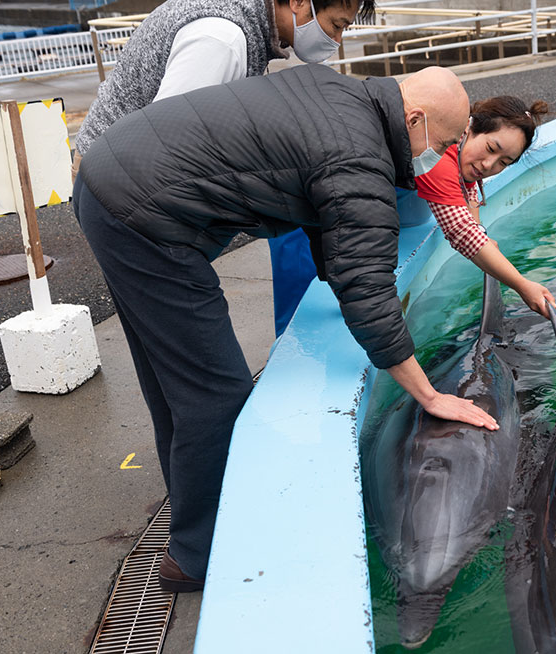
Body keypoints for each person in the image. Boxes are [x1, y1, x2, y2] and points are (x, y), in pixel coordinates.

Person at [72, 64, 497, 593]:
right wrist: (429, 395)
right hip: (144, 218)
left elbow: (328, 222)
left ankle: (192, 519)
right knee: (216, 396)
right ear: (414, 120)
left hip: (107, 179)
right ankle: (198, 558)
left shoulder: (341, 94)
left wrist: (347, 285)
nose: (447, 154)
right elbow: (366, 286)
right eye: (447, 142)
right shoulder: (360, 156)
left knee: (174, 385)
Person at [72, 0, 371, 175]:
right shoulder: (222, 40)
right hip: (114, 171)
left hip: (118, 159)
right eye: (336, 26)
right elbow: (166, 141)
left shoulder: (245, 16)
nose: (337, 40)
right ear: (299, 2)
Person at [416, 96, 556, 317]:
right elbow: (462, 231)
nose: (489, 165)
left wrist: (482, 235)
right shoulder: (438, 152)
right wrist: (522, 285)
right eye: (491, 148)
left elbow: (469, 190)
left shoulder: (464, 153)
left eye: (503, 162)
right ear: (471, 126)